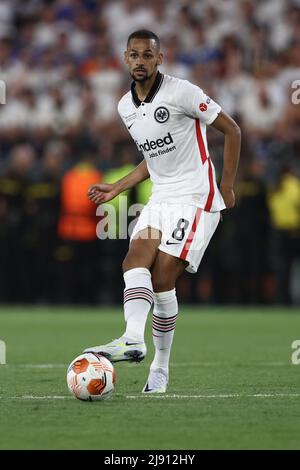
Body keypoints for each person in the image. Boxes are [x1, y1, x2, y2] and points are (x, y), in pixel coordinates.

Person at [84, 30, 241, 393]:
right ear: (125, 58)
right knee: (133, 261)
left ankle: (160, 367)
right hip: (162, 197)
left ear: (159, 58)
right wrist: (118, 187)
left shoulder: (182, 91)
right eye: (134, 55)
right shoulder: (125, 106)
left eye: (147, 55)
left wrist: (227, 186)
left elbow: (232, 131)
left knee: (163, 278)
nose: (141, 61)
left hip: (197, 197)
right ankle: (132, 339)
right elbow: (152, 158)